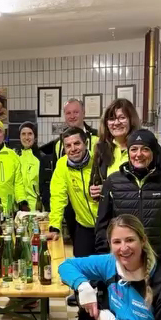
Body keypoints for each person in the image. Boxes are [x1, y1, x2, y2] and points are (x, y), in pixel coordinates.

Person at [95, 128, 161, 258]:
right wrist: (104, 256)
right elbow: (102, 223)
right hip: (124, 255)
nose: (138, 154)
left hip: (159, 256)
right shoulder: (113, 181)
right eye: (134, 149)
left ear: (154, 152)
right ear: (128, 152)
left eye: (145, 149)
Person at [39, 98, 98, 242]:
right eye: (68, 113)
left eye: (76, 112)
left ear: (84, 113)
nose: (72, 116)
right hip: (73, 209)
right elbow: (58, 183)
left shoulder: (99, 139)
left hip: (99, 208)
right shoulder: (59, 144)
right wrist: (55, 224)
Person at [48, 127, 98, 257]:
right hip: (83, 226)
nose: (73, 148)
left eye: (77, 143)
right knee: (80, 265)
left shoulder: (98, 161)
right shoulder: (62, 165)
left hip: (106, 226)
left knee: (108, 266)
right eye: (68, 145)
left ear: (85, 144)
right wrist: (54, 226)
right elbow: (58, 197)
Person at [89, 98, 142, 201]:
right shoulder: (101, 149)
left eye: (122, 118)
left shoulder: (143, 148)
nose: (116, 123)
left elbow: (148, 186)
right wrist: (94, 191)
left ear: (132, 120)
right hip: (110, 210)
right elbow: (95, 183)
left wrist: (108, 189)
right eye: (111, 118)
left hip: (135, 209)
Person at [16, 121, 44, 210]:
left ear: (35, 137)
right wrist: (22, 202)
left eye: (30, 134)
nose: (26, 137)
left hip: (38, 207)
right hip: (19, 207)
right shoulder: (16, 157)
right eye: (23, 134)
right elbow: (16, 183)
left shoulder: (41, 158)